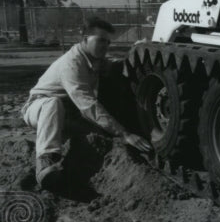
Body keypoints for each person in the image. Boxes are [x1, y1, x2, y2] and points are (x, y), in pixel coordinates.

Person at [21, 16, 151, 191]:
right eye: (101, 40)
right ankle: (45, 161)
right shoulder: (72, 64)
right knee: (53, 103)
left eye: (108, 42)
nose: (105, 45)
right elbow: (88, 105)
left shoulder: (95, 59)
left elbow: (116, 65)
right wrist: (124, 133)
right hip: (39, 108)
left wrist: (135, 51)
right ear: (85, 39)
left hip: (70, 114)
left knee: (102, 137)